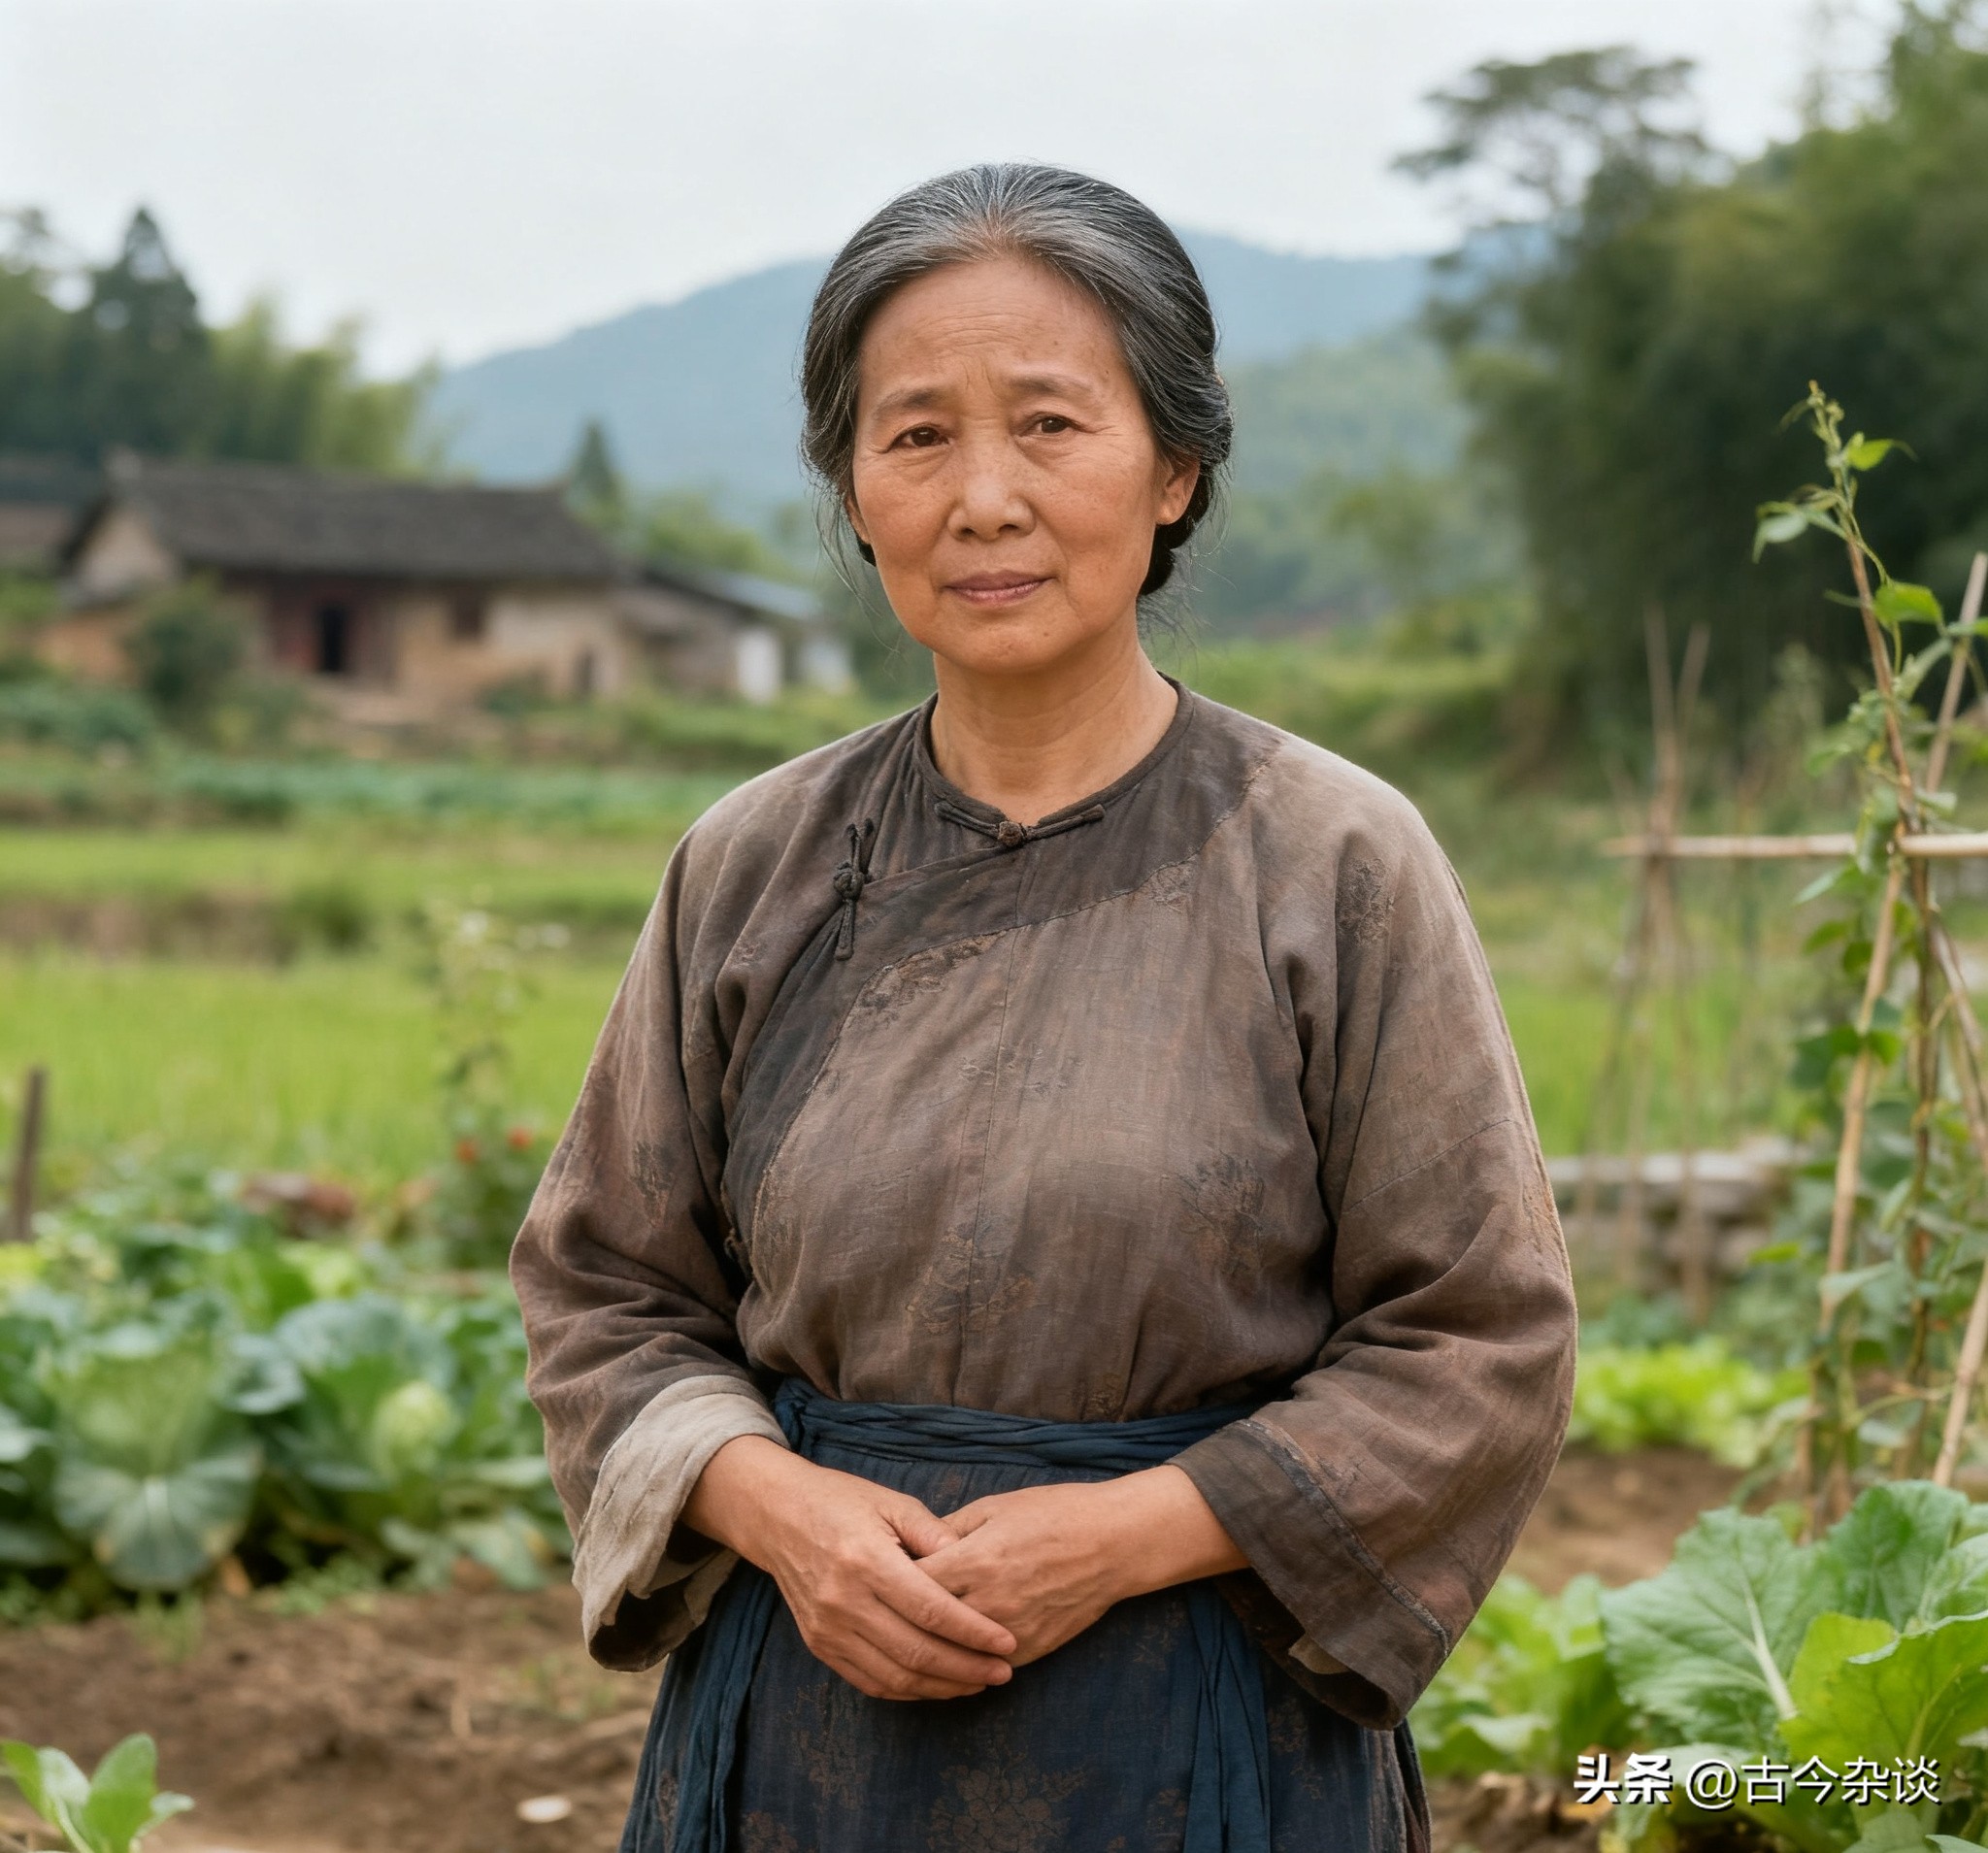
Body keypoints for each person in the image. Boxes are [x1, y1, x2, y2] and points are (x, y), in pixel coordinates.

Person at [512, 162, 1577, 1853]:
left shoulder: (1332, 860)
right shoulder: (753, 865)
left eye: (1052, 426)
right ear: (854, 493)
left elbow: (1477, 1333)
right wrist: (781, 1511)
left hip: (1197, 1725)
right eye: (917, 434)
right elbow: (606, 1286)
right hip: (802, 1729)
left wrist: (1128, 1531)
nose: (982, 497)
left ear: (1176, 467)